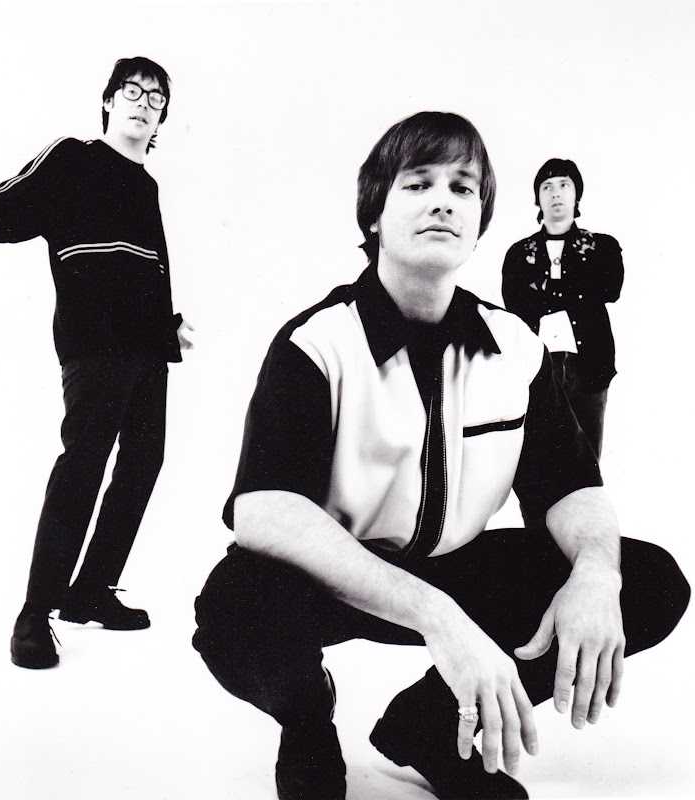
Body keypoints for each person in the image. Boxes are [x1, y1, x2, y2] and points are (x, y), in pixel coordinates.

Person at [191, 112, 688, 800]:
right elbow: (263, 512)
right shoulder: (319, 343)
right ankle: (307, 719)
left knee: (647, 580)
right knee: (233, 608)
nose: (443, 202)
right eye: (418, 183)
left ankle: (425, 728)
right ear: (374, 215)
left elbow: (571, 487)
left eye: (463, 187)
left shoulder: (515, 348)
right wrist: (438, 618)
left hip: (460, 566)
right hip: (337, 576)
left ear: (480, 222)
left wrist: (597, 576)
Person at [0, 56, 193, 669]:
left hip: (146, 351)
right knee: (83, 464)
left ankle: (91, 591)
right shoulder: (73, 159)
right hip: (94, 345)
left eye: (155, 97)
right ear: (108, 101)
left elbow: (153, 266)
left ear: (163, 116)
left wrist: (169, 327)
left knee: (143, 461)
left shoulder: (147, 186)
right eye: (132, 91)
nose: (142, 103)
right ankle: (35, 613)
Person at [502, 158, 623, 459]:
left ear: (576, 194)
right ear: (538, 198)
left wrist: (543, 289)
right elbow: (515, 306)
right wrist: (578, 291)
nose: (556, 193)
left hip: (591, 365)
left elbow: (611, 290)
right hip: (538, 367)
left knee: (587, 457)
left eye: (564, 185)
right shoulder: (518, 253)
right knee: (540, 459)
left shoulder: (602, 247)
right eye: (547, 187)